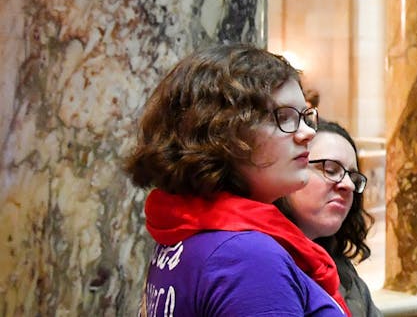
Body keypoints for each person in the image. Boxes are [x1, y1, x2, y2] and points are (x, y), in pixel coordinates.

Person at [126, 45, 350, 316]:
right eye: (284, 118)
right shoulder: (246, 257)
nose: (307, 134)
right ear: (222, 133)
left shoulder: (191, 229)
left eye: (304, 117)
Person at [278, 121, 383, 317]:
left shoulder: (341, 269)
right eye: (331, 170)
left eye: (352, 176)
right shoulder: (263, 261)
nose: (348, 185)